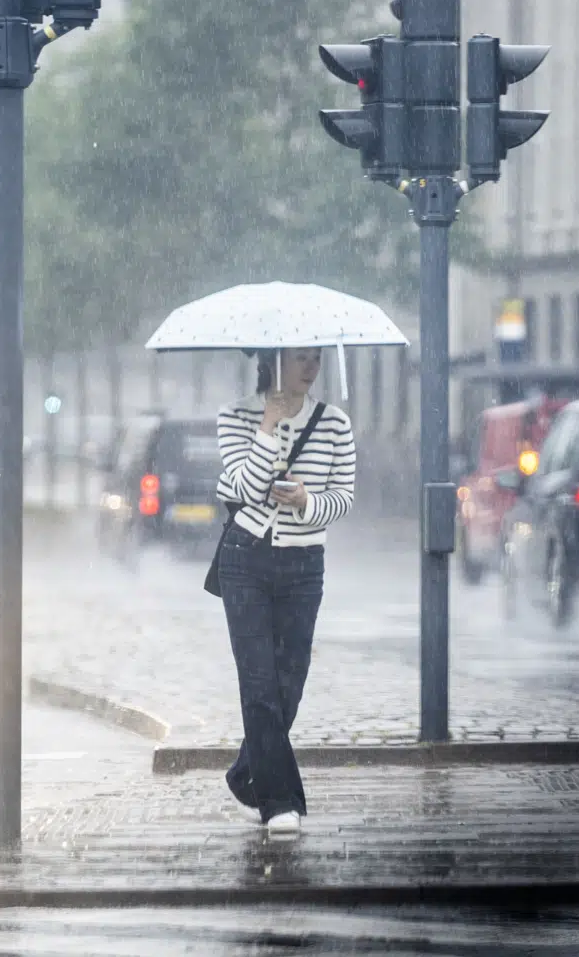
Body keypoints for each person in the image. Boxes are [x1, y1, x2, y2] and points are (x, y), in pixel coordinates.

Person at [213, 346, 356, 835]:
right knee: (258, 682)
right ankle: (279, 803)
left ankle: (243, 774)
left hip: (303, 565)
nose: (310, 366)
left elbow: (343, 497)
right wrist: (268, 426)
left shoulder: (335, 423)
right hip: (245, 560)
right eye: (299, 357)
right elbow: (247, 489)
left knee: (289, 682)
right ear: (273, 362)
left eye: (316, 357)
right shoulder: (234, 417)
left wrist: (307, 500)